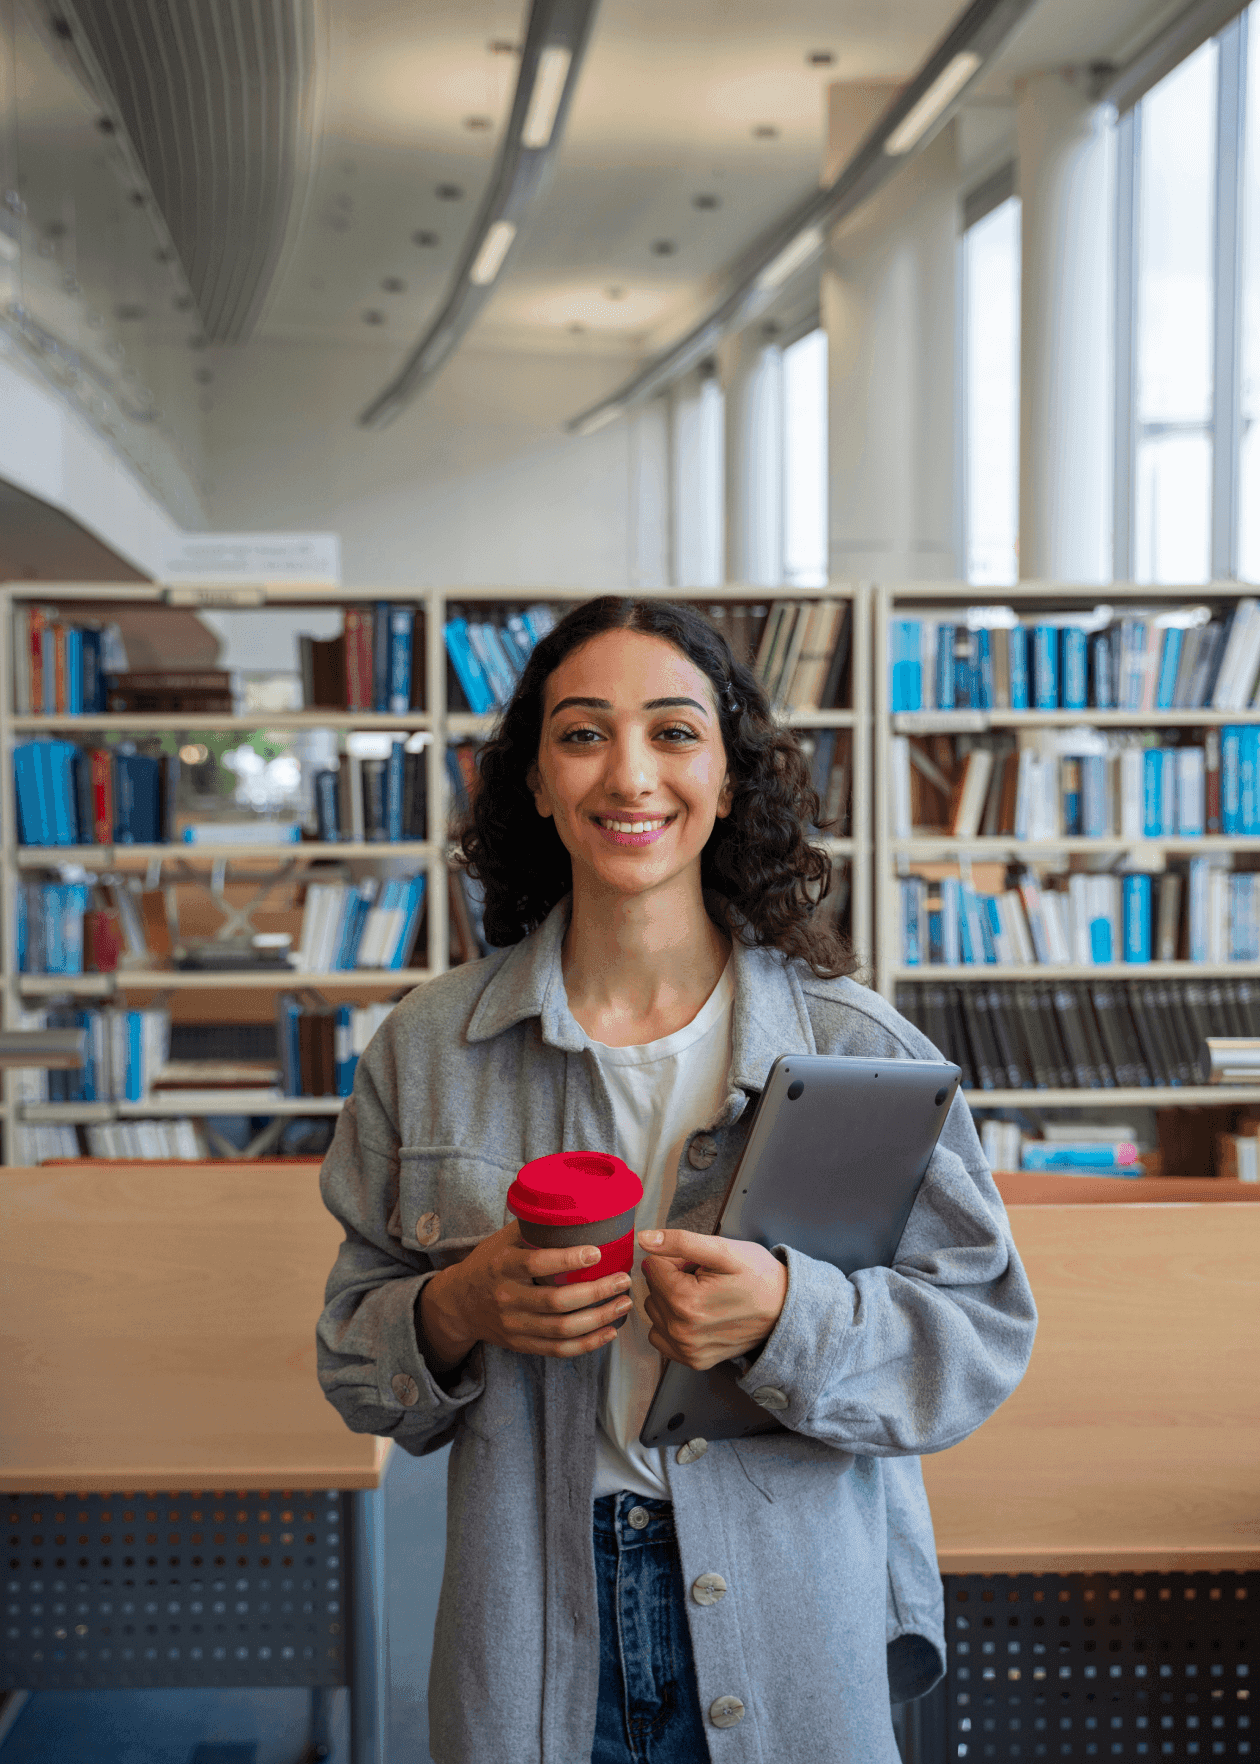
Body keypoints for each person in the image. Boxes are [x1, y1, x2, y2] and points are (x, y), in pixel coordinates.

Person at [315, 594, 1038, 1764]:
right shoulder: (427, 1050)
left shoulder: (860, 1050)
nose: (630, 775)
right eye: (584, 733)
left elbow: (978, 1343)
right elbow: (355, 1364)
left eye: (674, 732)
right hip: (533, 1622)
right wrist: (457, 1306)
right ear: (538, 782)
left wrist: (791, 1316)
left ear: (731, 776)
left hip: (791, 1605)